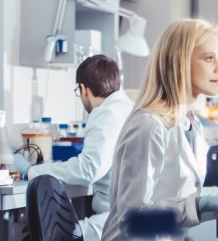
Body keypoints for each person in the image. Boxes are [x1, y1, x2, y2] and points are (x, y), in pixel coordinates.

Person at [101, 19, 218, 240]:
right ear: (181, 62)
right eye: (209, 58)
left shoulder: (189, 123)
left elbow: (180, 198)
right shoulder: (149, 126)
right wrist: (200, 205)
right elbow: (133, 221)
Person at [14, 55, 134, 240]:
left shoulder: (105, 113)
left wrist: (30, 170)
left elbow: (88, 169)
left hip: (116, 222)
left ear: (84, 89)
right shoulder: (129, 107)